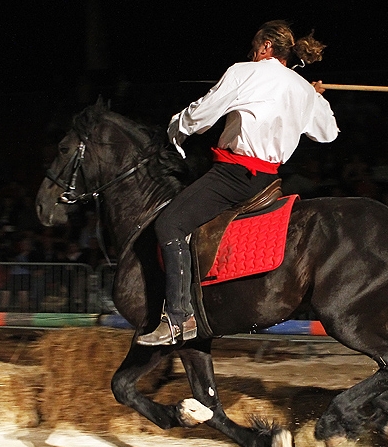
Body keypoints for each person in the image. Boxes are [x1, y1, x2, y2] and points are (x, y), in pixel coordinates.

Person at [137, 20, 339, 346]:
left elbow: (202, 117)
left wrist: (177, 127)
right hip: (269, 180)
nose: (253, 52)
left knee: (170, 224)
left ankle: (178, 318)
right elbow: (327, 133)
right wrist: (316, 98)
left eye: (255, 47)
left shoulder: (244, 71)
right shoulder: (301, 88)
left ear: (265, 46)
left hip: (233, 176)